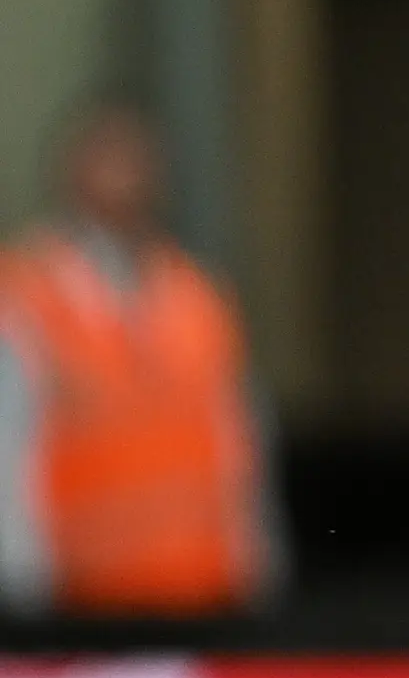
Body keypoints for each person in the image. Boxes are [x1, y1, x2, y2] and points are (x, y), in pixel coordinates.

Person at [0, 106, 281, 618]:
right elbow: (9, 450)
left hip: (203, 593)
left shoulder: (198, 297)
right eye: (107, 159)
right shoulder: (27, 297)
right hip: (79, 602)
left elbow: (239, 443)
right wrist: (22, 598)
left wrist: (257, 567)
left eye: (136, 160)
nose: (124, 176)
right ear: (70, 174)